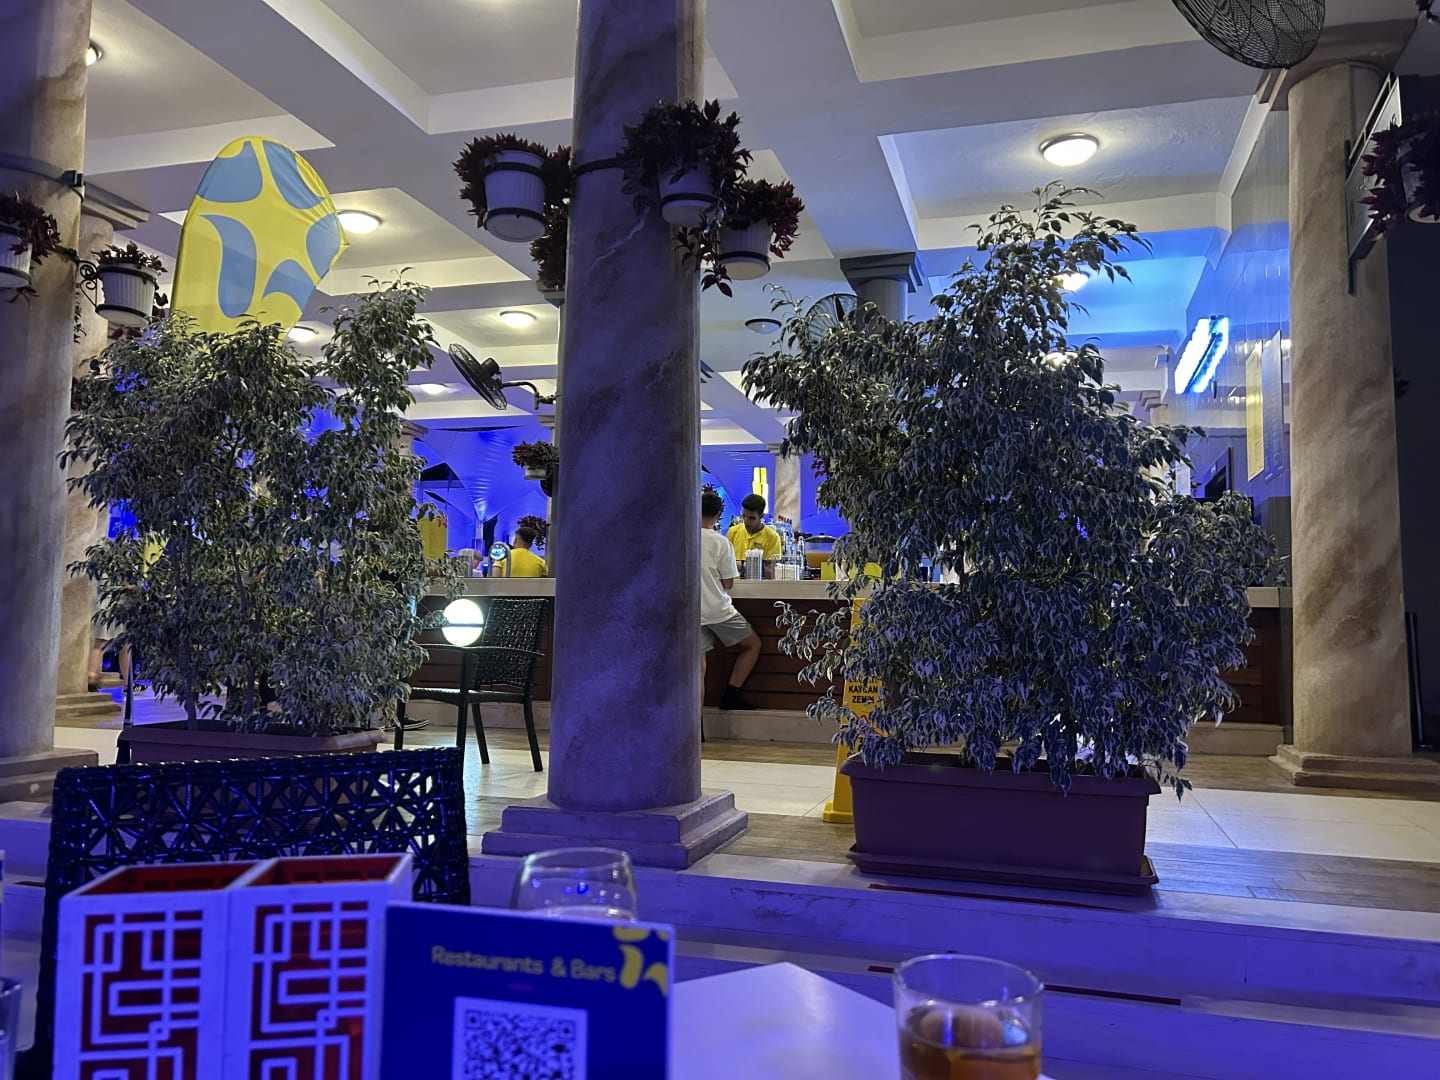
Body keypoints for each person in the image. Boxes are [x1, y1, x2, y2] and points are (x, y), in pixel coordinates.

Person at [701, 490, 760, 710]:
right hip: (718, 609)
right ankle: (731, 694)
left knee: (698, 669)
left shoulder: (683, 537)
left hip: (691, 613)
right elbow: (728, 584)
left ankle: (696, 723)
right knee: (752, 644)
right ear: (719, 515)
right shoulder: (720, 541)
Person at [727, 493, 782, 574]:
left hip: (758, 582)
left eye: (751, 518)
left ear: (761, 516)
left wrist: (741, 566)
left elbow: (770, 570)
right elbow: (725, 563)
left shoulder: (772, 537)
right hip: (734, 581)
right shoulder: (733, 531)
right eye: (744, 516)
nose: (746, 521)